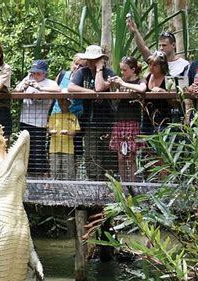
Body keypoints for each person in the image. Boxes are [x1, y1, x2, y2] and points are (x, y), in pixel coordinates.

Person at [68, 45, 116, 181]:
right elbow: (71, 87)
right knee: (91, 154)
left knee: (107, 155)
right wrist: (91, 93)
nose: (89, 62)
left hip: (107, 120)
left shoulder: (108, 73)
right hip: (89, 121)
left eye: (93, 60)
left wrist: (99, 69)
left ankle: (109, 185)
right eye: (88, 59)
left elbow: (99, 87)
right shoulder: (82, 72)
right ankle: (94, 183)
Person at [15, 60, 61, 178]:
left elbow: (58, 90)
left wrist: (39, 88)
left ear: (44, 73)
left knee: (38, 153)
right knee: (24, 151)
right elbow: (16, 90)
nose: (35, 76)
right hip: (25, 121)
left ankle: (40, 179)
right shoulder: (28, 79)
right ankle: (26, 178)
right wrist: (24, 84)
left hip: (39, 123)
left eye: (38, 73)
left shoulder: (49, 83)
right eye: (33, 73)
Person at [107, 56, 147, 182]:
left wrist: (123, 83)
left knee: (131, 156)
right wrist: (113, 86)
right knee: (121, 157)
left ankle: (133, 185)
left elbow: (142, 89)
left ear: (133, 69)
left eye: (124, 70)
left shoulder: (140, 81)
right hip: (119, 120)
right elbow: (115, 100)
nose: (122, 73)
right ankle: (123, 185)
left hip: (133, 121)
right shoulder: (121, 81)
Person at [47, 99, 80, 180]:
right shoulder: (53, 116)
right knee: (54, 172)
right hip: (54, 149)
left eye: (65, 102)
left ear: (69, 103)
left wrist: (68, 133)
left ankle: (69, 191)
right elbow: (48, 129)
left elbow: (76, 131)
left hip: (68, 150)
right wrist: (51, 131)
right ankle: (55, 191)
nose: (63, 104)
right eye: (61, 102)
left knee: (68, 173)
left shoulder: (73, 116)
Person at [143, 51, 172, 133]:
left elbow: (176, 103)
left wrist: (164, 92)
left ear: (162, 65)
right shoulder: (147, 77)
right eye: (150, 64)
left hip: (163, 120)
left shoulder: (169, 79)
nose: (151, 67)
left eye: (155, 65)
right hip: (147, 120)